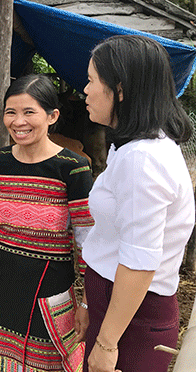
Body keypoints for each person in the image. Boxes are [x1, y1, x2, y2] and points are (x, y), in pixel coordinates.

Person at [81, 35, 194, 372]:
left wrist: (107, 342)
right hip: (117, 306)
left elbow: (140, 263)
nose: (84, 90)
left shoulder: (143, 160)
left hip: (133, 318)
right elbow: (112, 242)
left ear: (120, 90)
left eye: (90, 81)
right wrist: (90, 302)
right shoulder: (130, 147)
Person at [0, 74, 95, 371]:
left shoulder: (74, 168)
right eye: (11, 112)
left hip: (50, 294)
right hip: (1, 289)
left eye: (29, 112)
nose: (18, 121)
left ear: (52, 116)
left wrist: (87, 303)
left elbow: (87, 242)